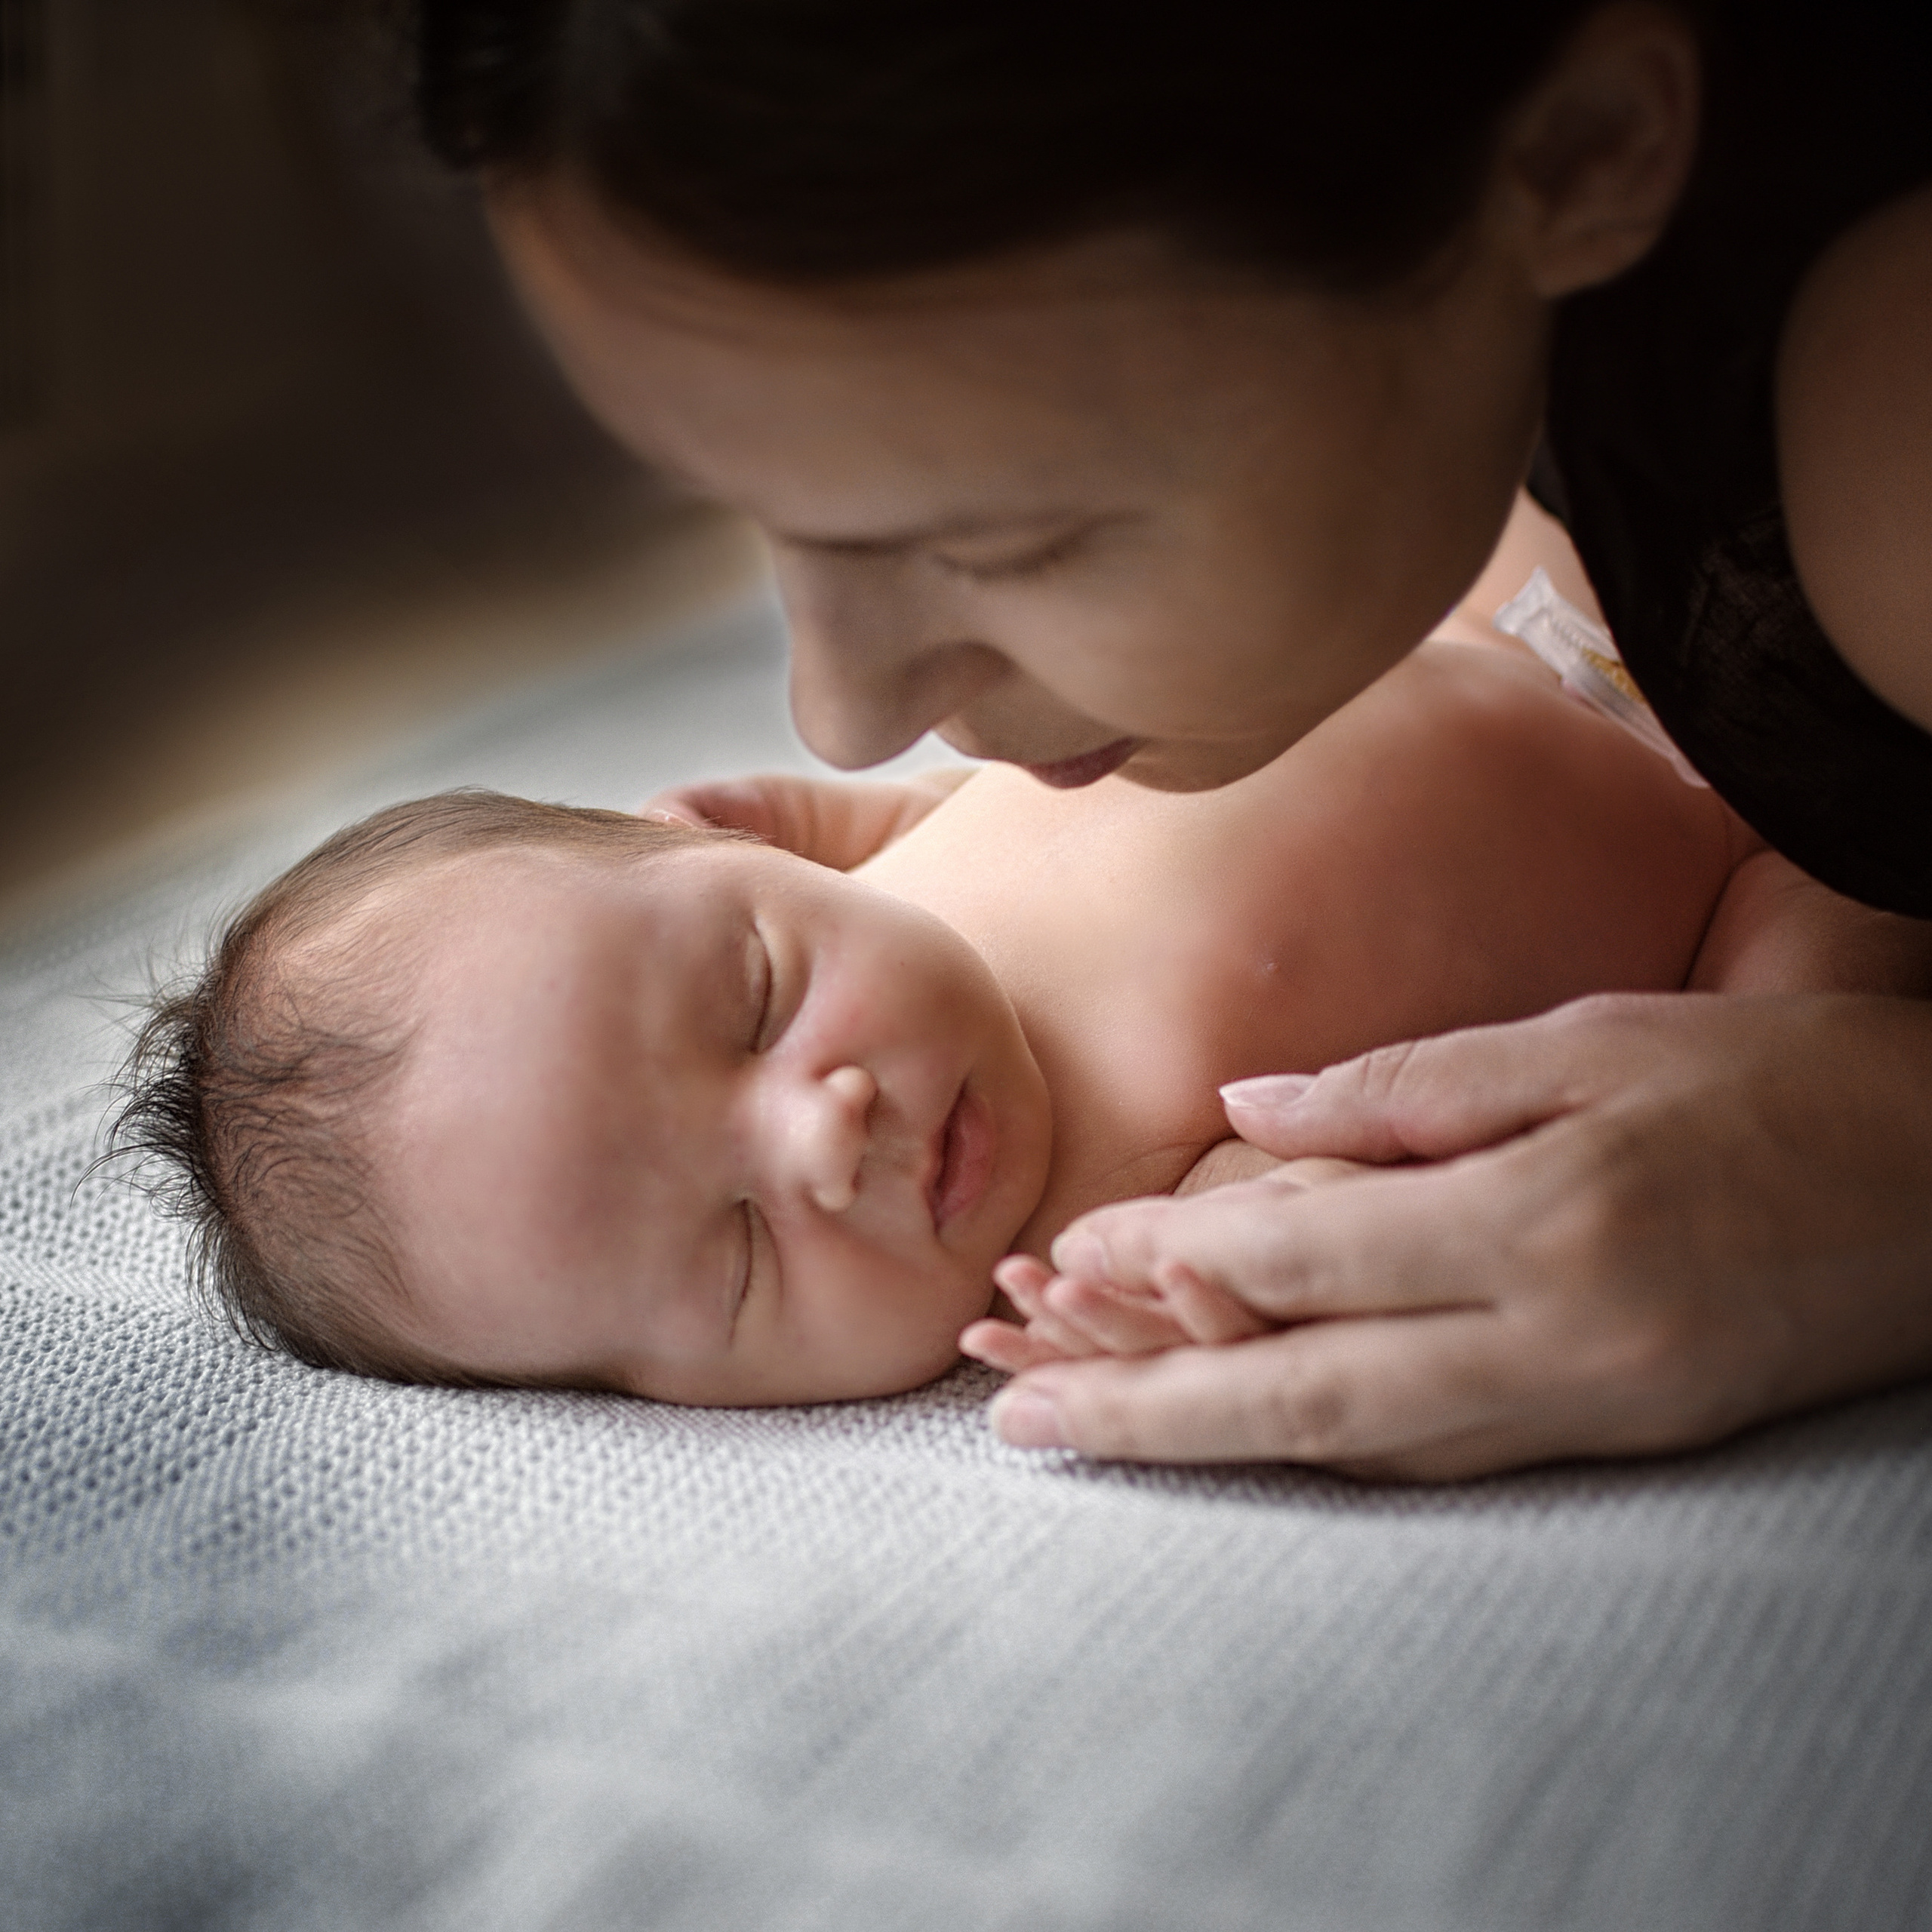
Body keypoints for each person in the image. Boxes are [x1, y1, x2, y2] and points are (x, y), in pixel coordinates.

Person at [403, 0, 1932, 1473]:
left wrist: (1861, 1153)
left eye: (995, 537)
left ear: (1579, 150)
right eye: (767, 513)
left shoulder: (1886, 480)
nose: (842, 719)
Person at [112, 611, 1919, 1406]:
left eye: (748, 995)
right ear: (670, 1394)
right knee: (1791, 998)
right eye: (737, 1254)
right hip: (1758, 878)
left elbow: (863, 814)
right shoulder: (1093, 1231)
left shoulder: (884, 855)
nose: (823, 1131)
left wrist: (837, 822)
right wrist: (1225, 1269)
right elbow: (1347, 1211)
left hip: (1527, 616)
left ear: (716, 841)